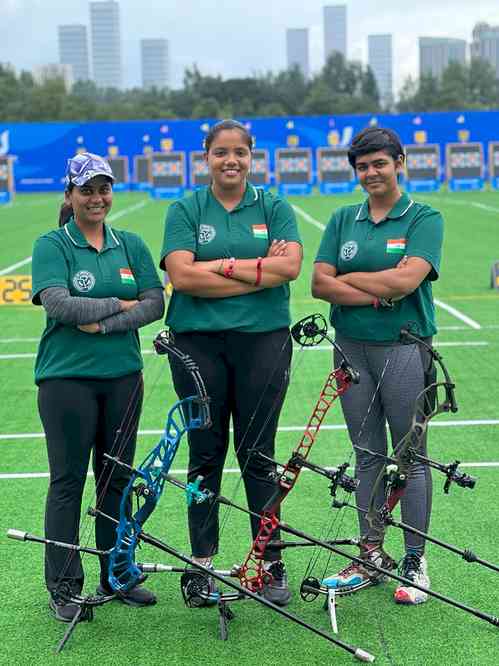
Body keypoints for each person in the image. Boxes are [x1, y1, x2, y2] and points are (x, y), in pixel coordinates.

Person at [160, 119, 303, 606]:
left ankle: (270, 561)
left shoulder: (273, 205)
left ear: (251, 156)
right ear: (206, 158)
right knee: (204, 453)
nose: (231, 161)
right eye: (221, 153)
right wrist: (254, 273)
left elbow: (291, 268)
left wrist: (216, 266)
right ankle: (202, 564)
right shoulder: (185, 208)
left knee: (258, 454)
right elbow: (181, 276)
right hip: (197, 345)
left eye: (239, 152)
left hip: (263, 341)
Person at [311, 127, 444, 605]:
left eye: (379, 164)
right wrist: (377, 290)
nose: (370, 173)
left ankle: (414, 559)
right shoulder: (343, 218)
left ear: (399, 162)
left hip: (405, 348)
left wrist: (354, 281)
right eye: (362, 166)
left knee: (410, 455)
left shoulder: (424, 217)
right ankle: (371, 554)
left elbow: (407, 282)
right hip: (351, 348)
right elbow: (320, 284)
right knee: (366, 453)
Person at [31, 152, 165, 622]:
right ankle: (65, 586)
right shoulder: (53, 244)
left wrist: (105, 324)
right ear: (70, 194)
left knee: (116, 480)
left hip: (123, 379)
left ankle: (117, 573)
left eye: (103, 188)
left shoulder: (129, 243)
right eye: (86, 189)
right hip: (65, 380)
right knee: (67, 483)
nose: (97, 198)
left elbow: (155, 303)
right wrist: (117, 303)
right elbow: (59, 305)